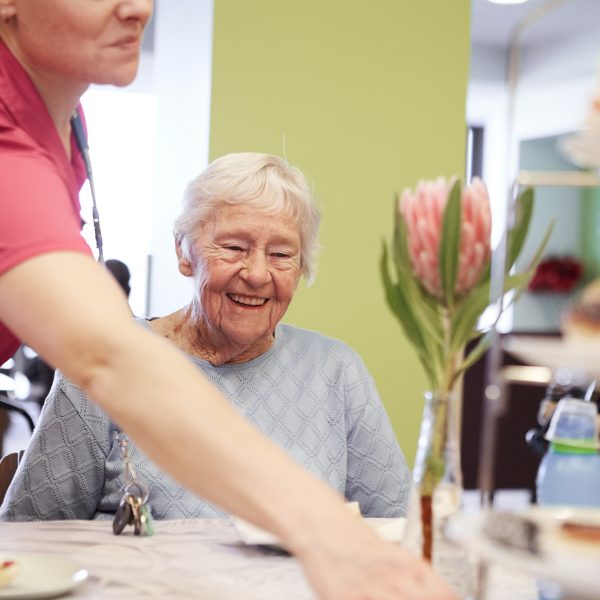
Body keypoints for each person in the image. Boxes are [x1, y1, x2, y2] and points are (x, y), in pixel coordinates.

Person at [0, 2, 456, 598]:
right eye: (234, 246)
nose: (139, 6)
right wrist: (323, 531)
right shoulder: (11, 146)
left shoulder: (59, 134)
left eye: (283, 253)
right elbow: (108, 356)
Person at [0, 153, 411, 521]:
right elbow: (28, 536)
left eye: (282, 254)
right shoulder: (99, 366)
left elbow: (398, 525)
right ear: (183, 252)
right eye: (234, 247)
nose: (256, 274)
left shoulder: (336, 371)